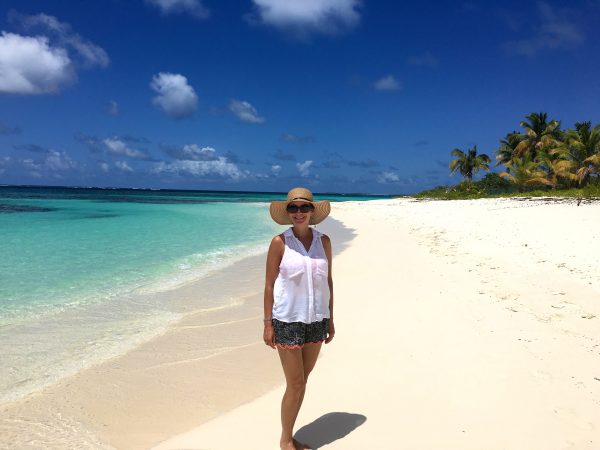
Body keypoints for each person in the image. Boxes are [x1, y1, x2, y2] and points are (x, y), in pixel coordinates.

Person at [264, 187, 335, 450]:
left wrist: (331, 318)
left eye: (304, 207)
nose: (298, 213)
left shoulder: (323, 242)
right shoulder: (279, 243)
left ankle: (289, 435)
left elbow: (327, 281)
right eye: (293, 208)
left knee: (302, 383)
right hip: (288, 321)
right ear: (287, 212)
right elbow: (269, 285)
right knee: (295, 383)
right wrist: (267, 324)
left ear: (312, 211)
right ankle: (285, 440)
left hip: (317, 320)